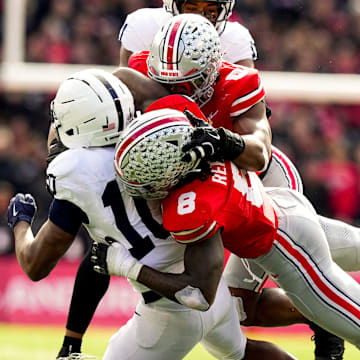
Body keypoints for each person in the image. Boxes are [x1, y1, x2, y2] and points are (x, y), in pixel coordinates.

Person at [8, 69, 297, 360]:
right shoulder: (155, 138)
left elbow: (35, 264)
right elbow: (98, 258)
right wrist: (72, 340)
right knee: (245, 354)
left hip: (168, 308)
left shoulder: (76, 176)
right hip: (211, 286)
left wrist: (20, 222)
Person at [107, 106, 360, 350]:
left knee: (355, 324)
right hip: (284, 207)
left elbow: (199, 295)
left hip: (286, 246)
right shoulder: (198, 136)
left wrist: (129, 267)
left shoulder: (192, 207)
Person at [119, 0, 256, 68]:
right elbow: (128, 87)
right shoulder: (145, 24)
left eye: (210, 10)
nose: (200, 18)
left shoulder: (235, 39)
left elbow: (247, 99)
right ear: (174, 6)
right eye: (192, 8)